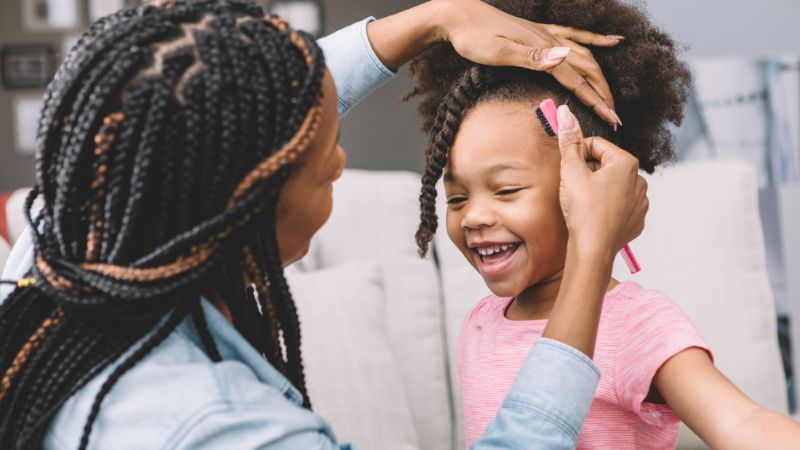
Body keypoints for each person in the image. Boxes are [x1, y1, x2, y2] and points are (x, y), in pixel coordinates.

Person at [0, 0, 645, 448]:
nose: (340, 158)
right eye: (325, 169)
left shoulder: (64, 251)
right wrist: (591, 248)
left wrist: (438, 18)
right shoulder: (217, 428)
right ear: (249, 207)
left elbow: (231, 117)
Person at [409, 0, 800, 448]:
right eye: (457, 197)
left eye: (506, 190)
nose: (474, 216)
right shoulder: (482, 322)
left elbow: (741, 423)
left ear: (588, 182)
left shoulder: (635, 323)